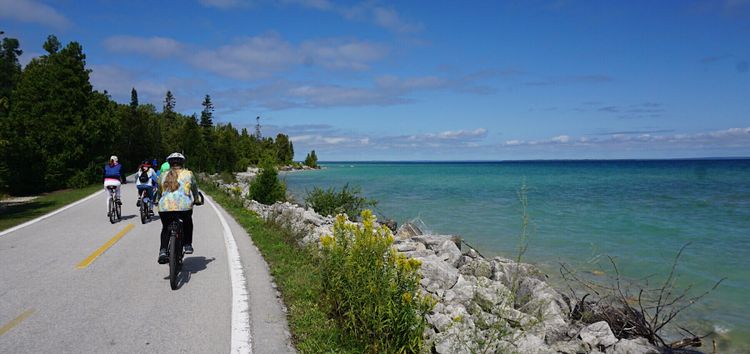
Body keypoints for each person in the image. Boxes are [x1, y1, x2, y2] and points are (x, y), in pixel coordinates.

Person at [157, 152, 200, 264]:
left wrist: (157, 200)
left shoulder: (163, 175)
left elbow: (159, 191)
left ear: (169, 163)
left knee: (166, 228)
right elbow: (194, 189)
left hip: (164, 207)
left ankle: (162, 251)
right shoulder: (188, 174)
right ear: (182, 163)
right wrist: (196, 199)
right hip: (184, 207)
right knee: (188, 223)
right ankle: (187, 244)